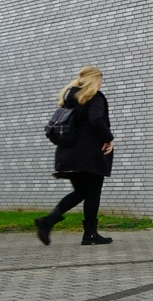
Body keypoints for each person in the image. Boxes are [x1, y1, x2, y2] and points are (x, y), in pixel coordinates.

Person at [34, 66, 116, 246]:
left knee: (81, 191)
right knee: (92, 192)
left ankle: (48, 221)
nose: (101, 83)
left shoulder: (69, 99)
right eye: (100, 80)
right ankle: (90, 234)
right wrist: (109, 139)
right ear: (94, 80)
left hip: (68, 153)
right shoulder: (94, 97)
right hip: (90, 154)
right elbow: (96, 120)